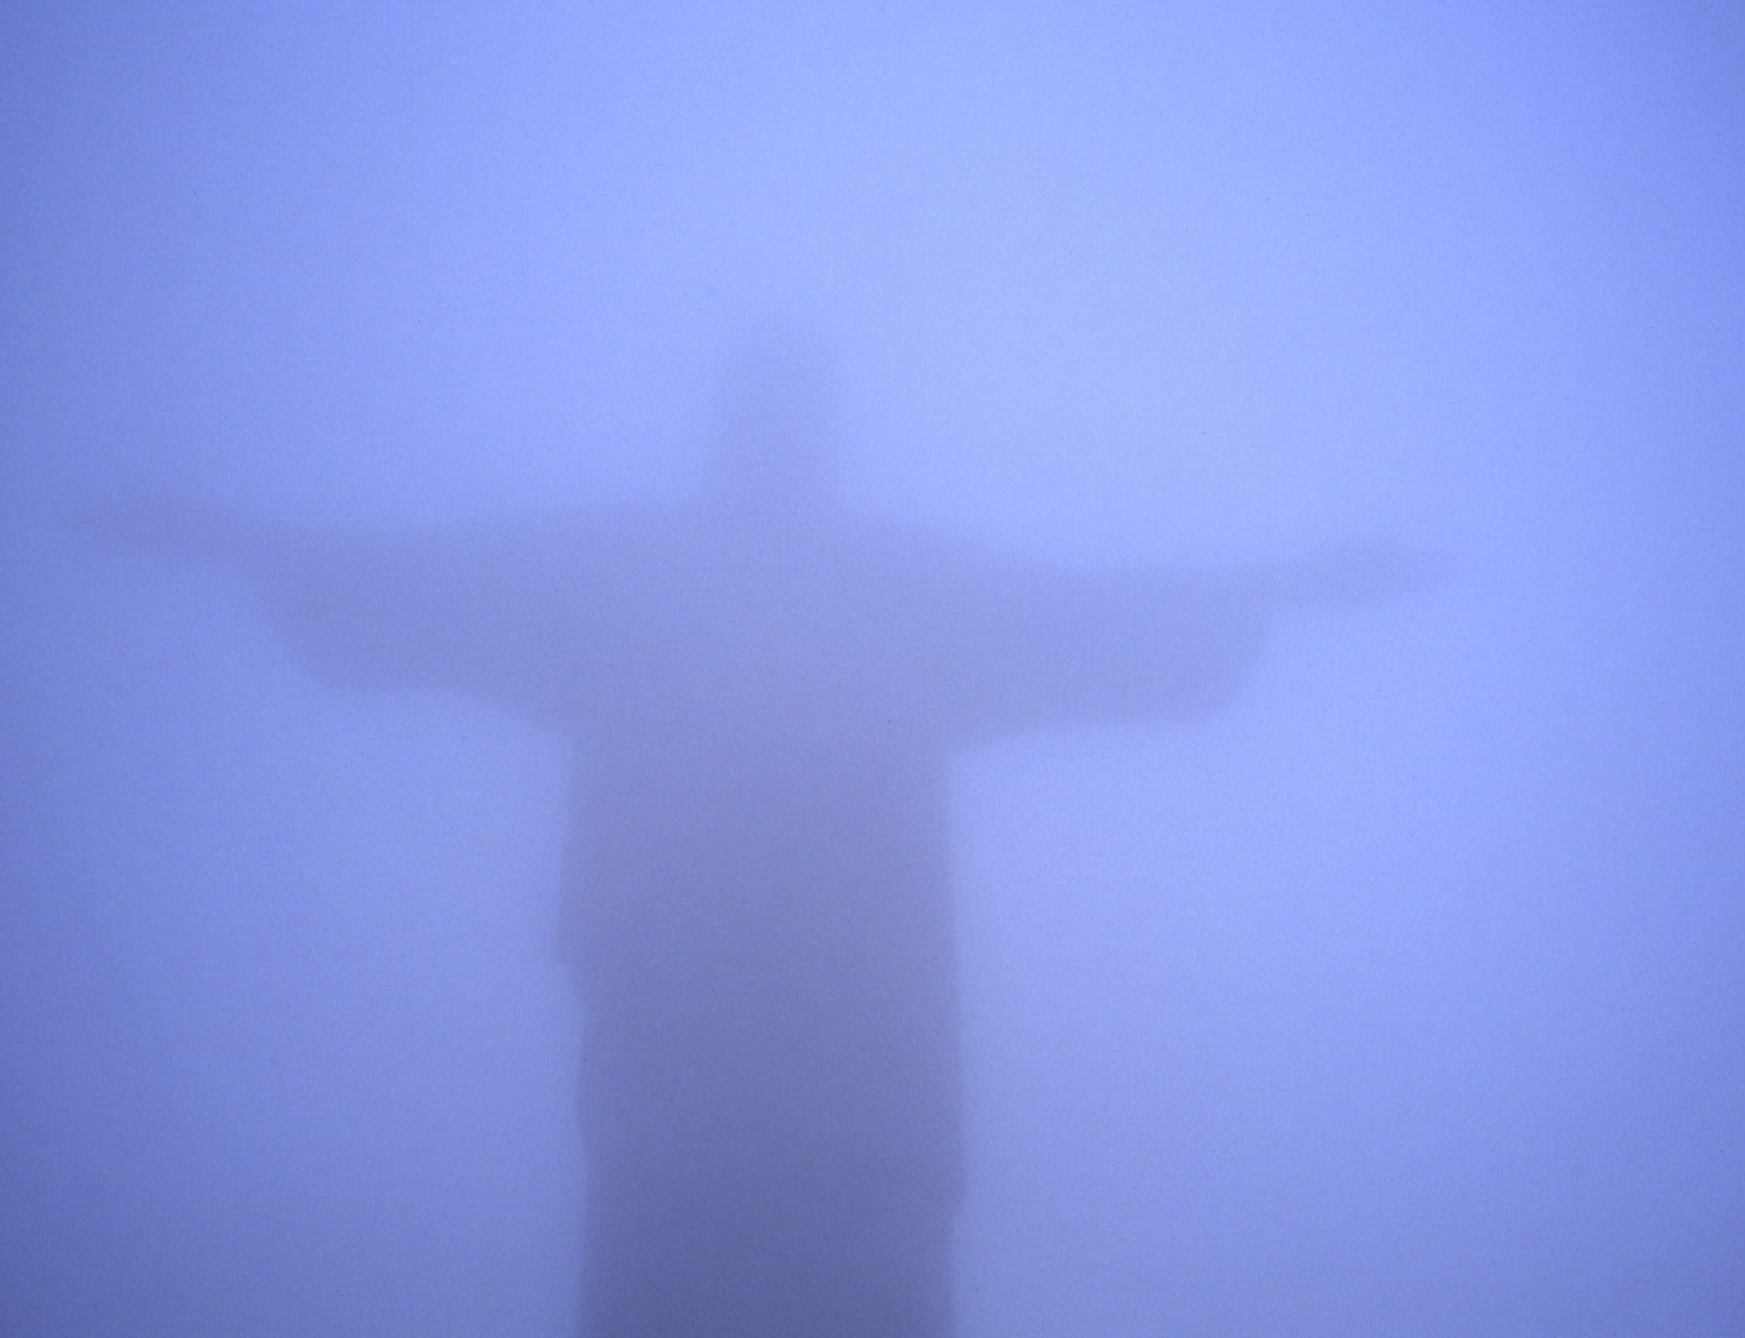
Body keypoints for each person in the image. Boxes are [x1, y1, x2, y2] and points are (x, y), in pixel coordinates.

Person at [91, 334, 1441, 1337]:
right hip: (708, 1059)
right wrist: (238, 538)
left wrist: (1282, 582)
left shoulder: (849, 589)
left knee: (825, 1267)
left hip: (848, 1065)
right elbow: (430, 578)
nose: (778, 439)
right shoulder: (647, 579)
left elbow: (1084, 613)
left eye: (791, 415)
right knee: (686, 1266)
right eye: (766, 413)